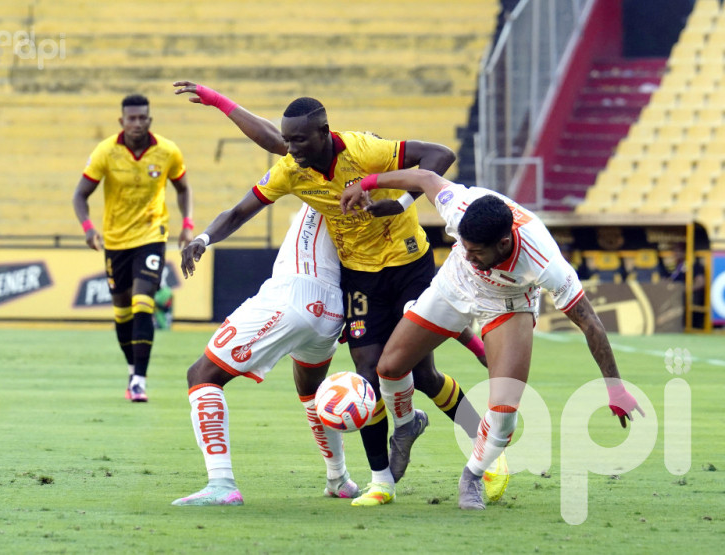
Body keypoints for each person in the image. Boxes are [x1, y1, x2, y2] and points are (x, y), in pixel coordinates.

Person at [173, 82, 507, 507]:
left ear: (323, 133)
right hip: (360, 277)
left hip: (408, 263)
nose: (291, 148)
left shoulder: (364, 151)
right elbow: (240, 210)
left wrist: (401, 202)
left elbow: (439, 156)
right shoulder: (292, 170)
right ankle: (381, 482)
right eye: (288, 140)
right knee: (368, 375)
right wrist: (203, 238)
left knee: (423, 375)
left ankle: (489, 455)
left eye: (299, 140)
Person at [340, 169, 645, 510]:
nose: (470, 255)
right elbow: (425, 177)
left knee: (504, 412)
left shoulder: (544, 261)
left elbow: (590, 323)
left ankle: (471, 476)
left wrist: (615, 388)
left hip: (508, 303)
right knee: (389, 368)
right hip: (454, 284)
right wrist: (366, 183)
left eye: (476, 252)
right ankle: (406, 426)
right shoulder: (459, 206)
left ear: (503, 243)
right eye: (465, 247)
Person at [172, 204, 362, 506]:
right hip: (332, 308)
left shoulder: (320, 180)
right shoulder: (366, 193)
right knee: (312, 393)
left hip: (293, 291)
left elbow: (239, 210)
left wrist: (203, 238)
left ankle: (221, 484)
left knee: (201, 375)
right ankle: (338, 478)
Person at [72, 94, 193, 402]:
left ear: (149, 120)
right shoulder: (105, 151)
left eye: (142, 118)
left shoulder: (167, 151)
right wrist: (88, 229)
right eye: (132, 118)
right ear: (122, 121)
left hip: (152, 235)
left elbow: (183, 188)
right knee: (122, 310)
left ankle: (139, 380)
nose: (137, 123)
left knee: (142, 302)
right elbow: (80, 195)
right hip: (115, 240)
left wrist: (187, 224)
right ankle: (131, 370)